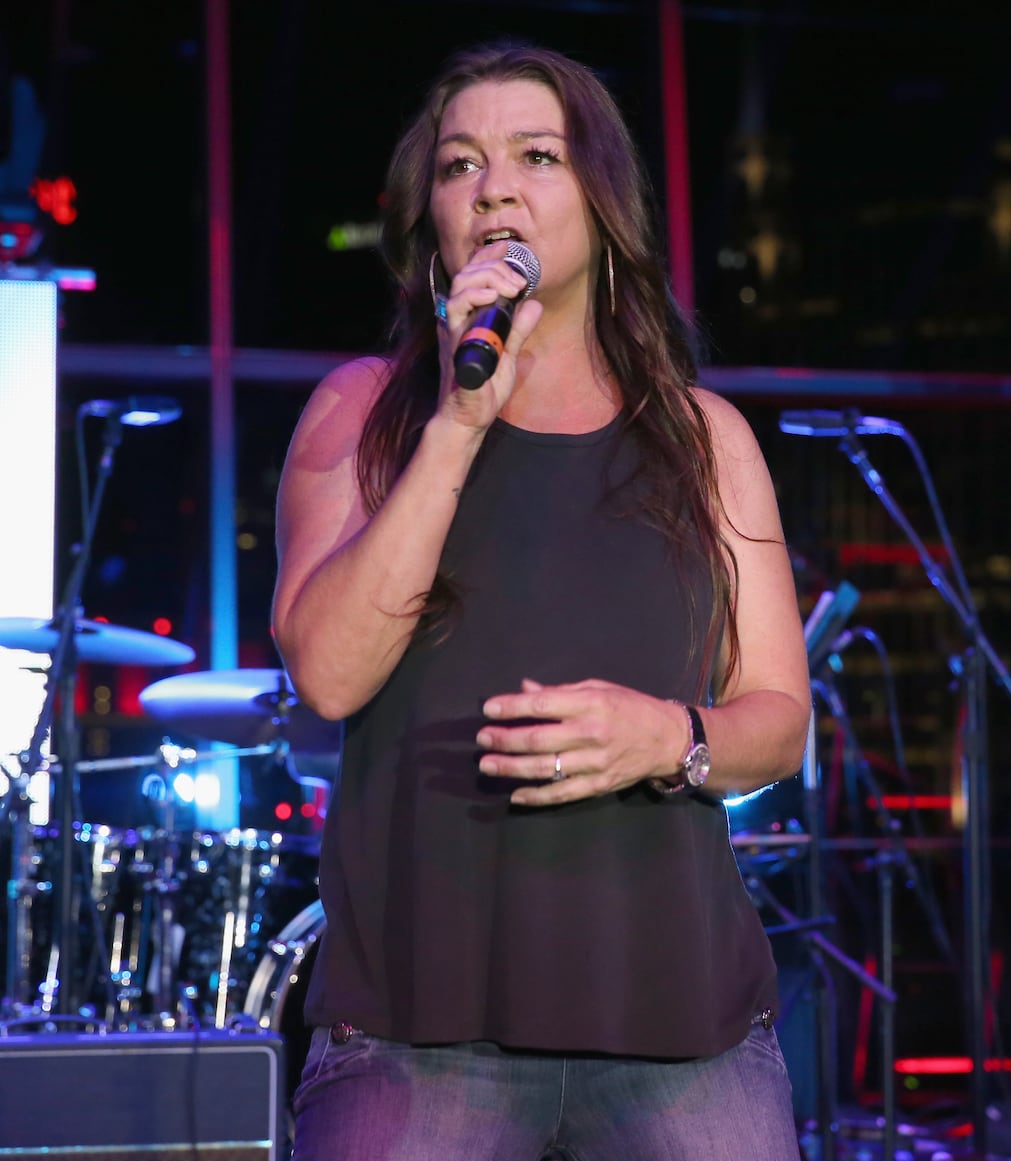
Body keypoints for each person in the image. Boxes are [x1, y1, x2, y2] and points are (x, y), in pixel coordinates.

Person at [270, 40, 810, 1161]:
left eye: (536, 155)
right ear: (433, 217)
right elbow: (326, 672)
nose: (494, 187)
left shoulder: (704, 439)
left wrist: (668, 734)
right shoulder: (362, 414)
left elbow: (777, 720)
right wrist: (460, 424)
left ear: (604, 203)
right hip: (421, 1035)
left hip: (682, 1031)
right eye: (460, 164)